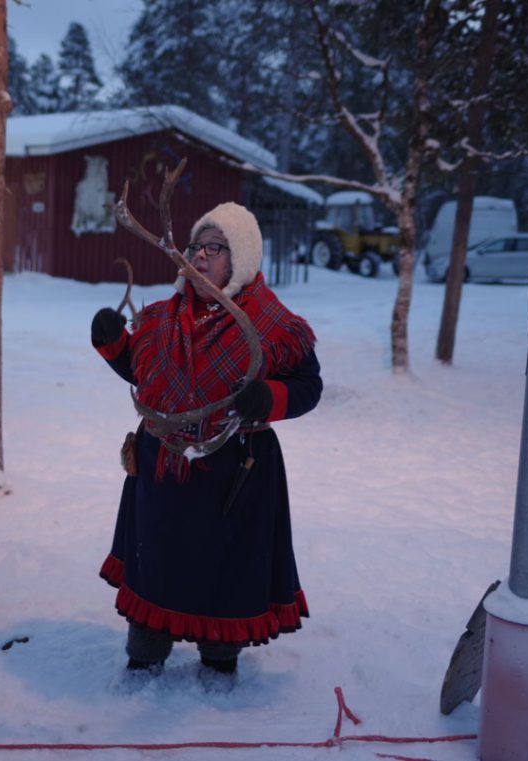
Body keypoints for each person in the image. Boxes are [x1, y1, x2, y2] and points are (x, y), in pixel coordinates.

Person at [91, 201, 323, 682]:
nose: (200, 255)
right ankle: (147, 650)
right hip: (164, 469)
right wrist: (114, 345)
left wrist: (270, 398)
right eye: (197, 245)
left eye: (215, 247)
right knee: (156, 560)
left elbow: (308, 387)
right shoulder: (161, 318)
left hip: (235, 473)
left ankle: (219, 656)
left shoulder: (273, 325)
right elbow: (146, 374)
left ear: (241, 257)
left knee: (226, 567)